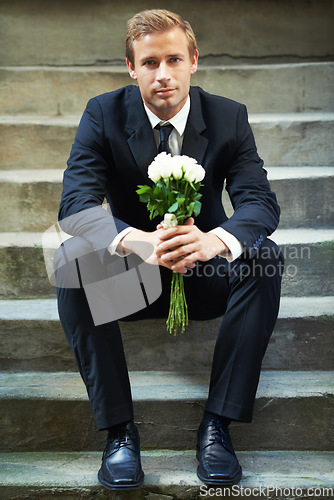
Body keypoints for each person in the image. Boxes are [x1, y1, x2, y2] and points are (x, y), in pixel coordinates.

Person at [56, 9, 284, 490]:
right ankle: (120, 432)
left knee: (267, 257)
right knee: (68, 261)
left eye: (174, 59)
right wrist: (136, 241)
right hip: (131, 280)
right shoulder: (103, 112)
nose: (163, 74)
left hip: (204, 277)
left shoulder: (228, 116)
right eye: (150, 62)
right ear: (131, 67)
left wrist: (211, 242)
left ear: (194, 60)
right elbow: (75, 204)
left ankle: (218, 425)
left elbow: (259, 203)